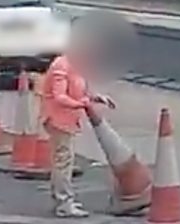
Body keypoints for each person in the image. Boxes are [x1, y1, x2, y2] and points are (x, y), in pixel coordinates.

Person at [40, 51, 115, 217]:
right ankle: (64, 203)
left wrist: (97, 98)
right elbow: (59, 96)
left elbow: (80, 89)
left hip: (67, 120)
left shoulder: (77, 66)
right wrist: (79, 104)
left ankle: (61, 199)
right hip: (58, 120)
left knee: (62, 160)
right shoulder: (62, 66)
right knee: (63, 162)